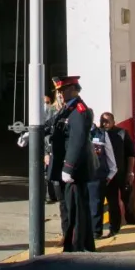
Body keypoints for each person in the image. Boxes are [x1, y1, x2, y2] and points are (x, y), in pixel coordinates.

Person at [47, 76, 95, 252]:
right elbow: (51, 125)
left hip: (74, 170)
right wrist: (32, 133)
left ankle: (75, 247)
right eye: (59, 91)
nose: (60, 94)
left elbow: (77, 140)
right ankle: (84, 244)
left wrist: (69, 167)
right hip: (67, 167)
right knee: (71, 207)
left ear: (75, 89)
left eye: (64, 90)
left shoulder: (79, 111)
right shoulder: (67, 109)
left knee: (75, 211)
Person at [100, 111, 135, 236]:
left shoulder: (122, 133)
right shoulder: (98, 134)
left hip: (122, 172)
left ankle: (133, 224)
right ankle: (114, 228)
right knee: (112, 202)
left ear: (113, 122)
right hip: (109, 175)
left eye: (107, 121)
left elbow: (130, 154)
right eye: (102, 121)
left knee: (127, 200)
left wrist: (130, 172)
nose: (105, 124)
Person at [88, 117, 117, 241]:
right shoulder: (75, 131)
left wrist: (110, 174)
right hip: (79, 176)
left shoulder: (102, 134)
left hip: (97, 176)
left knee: (96, 205)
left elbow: (110, 156)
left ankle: (95, 232)